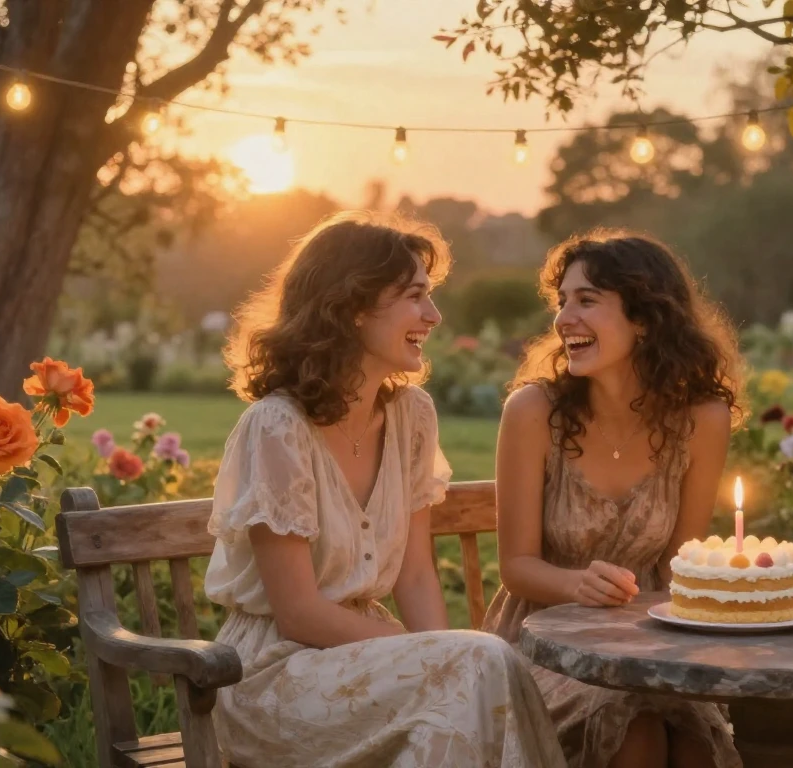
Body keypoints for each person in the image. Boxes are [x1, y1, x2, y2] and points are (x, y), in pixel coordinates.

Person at [205, 212, 563, 768]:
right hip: (278, 679)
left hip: (370, 666)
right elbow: (298, 612)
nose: (433, 315)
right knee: (481, 663)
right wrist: (422, 652)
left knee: (470, 683)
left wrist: (439, 656)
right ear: (351, 307)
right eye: (415, 296)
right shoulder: (277, 426)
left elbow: (416, 574)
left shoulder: (411, 416)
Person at [483, 230, 746, 768]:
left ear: (644, 318)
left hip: (651, 641)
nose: (563, 319)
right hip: (546, 644)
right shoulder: (533, 412)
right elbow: (515, 567)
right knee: (637, 735)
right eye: (562, 302)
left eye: (587, 301)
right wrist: (576, 584)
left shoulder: (701, 418)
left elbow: (681, 566)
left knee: (696, 745)